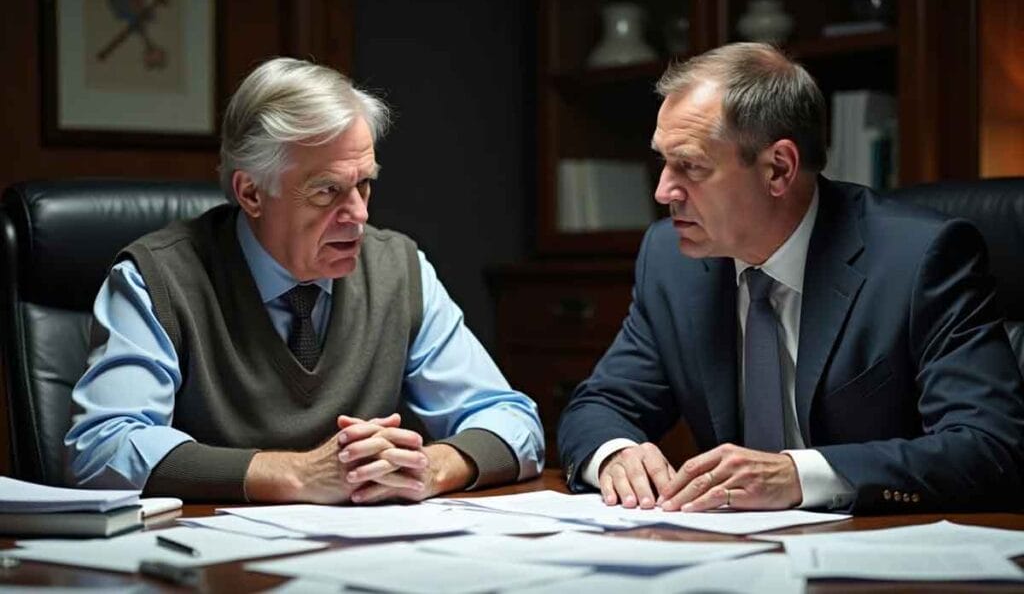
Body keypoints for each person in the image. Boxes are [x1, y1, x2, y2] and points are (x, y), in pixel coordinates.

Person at [558, 43, 1024, 514]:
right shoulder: (670, 259)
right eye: (663, 161)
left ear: (778, 168)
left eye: (691, 166)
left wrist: (800, 475)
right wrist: (616, 453)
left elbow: (989, 447)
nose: (663, 191)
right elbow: (599, 405)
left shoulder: (920, 258)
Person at [65, 57, 544, 503]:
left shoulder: (398, 269)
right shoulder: (158, 278)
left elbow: (513, 420)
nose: (358, 215)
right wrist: (296, 475)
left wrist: (429, 466)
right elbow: (101, 449)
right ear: (251, 192)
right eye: (327, 191)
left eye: (365, 183)